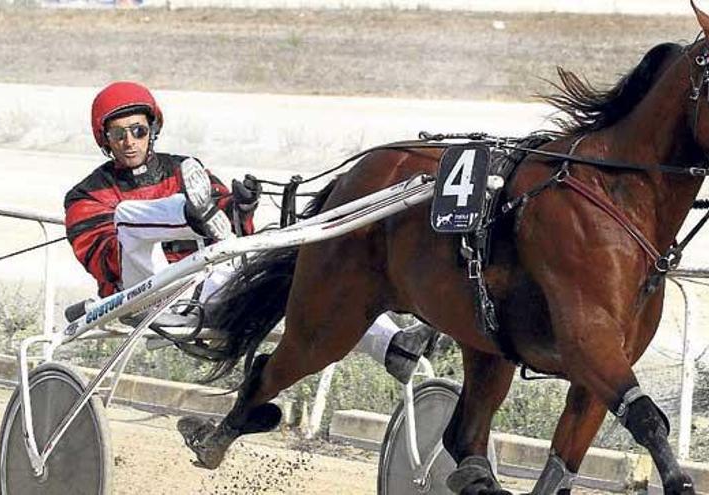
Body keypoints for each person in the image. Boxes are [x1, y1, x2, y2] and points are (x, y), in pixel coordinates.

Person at [64, 81, 434, 383]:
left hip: (204, 283)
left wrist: (242, 208)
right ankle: (191, 213)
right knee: (125, 217)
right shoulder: (85, 196)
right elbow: (104, 261)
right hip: (140, 294)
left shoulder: (184, 169)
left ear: (152, 131)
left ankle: (394, 345)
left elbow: (236, 236)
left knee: (299, 275)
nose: (130, 141)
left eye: (138, 130)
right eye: (119, 134)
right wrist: (190, 222)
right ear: (105, 140)